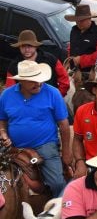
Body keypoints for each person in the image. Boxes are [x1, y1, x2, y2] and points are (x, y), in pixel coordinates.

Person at [0, 61, 70, 196]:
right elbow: (2, 120)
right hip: (13, 147)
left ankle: (62, 213)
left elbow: (64, 124)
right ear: (21, 81)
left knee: (57, 183)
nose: (38, 83)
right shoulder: (6, 95)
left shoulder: (53, 93)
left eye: (40, 79)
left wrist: (66, 151)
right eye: (33, 81)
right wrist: (3, 133)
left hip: (45, 145)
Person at [5, 30, 69, 96]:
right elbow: (10, 90)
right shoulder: (14, 65)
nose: (27, 49)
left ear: (35, 46)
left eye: (30, 46)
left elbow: (64, 79)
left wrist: (57, 96)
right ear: (19, 47)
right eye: (23, 46)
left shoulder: (50, 59)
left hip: (49, 100)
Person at [67, 4, 97, 73]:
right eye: (77, 20)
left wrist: (81, 60)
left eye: (82, 20)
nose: (79, 23)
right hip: (73, 71)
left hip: (91, 74)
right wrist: (69, 60)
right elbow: (71, 46)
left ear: (89, 18)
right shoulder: (74, 30)